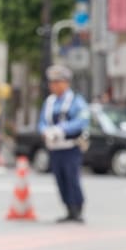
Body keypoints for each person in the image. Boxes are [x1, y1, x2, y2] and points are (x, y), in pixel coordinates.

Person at [38, 64, 89, 223]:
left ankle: (77, 209)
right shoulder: (50, 102)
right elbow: (41, 122)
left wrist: (61, 129)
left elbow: (82, 120)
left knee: (71, 178)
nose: (54, 85)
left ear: (66, 82)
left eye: (58, 82)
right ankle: (68, 208)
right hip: (55, 147)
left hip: (70, 146)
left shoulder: (76, 100)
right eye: (52, 82)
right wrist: (45, 131)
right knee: (60, 179)